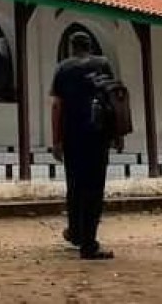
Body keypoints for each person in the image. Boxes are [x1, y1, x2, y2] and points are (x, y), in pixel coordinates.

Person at [51, 30, 117, 260]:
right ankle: (89, 244)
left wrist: (56, 140)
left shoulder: (62, 68)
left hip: (72, 136)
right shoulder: (102, 64)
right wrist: (117, 134)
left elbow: (57, 106)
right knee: (94, 188)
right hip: (97, 135)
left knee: (75, 186)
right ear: (90, 46)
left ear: (72, 47)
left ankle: (76, 233)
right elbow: (113, 99)